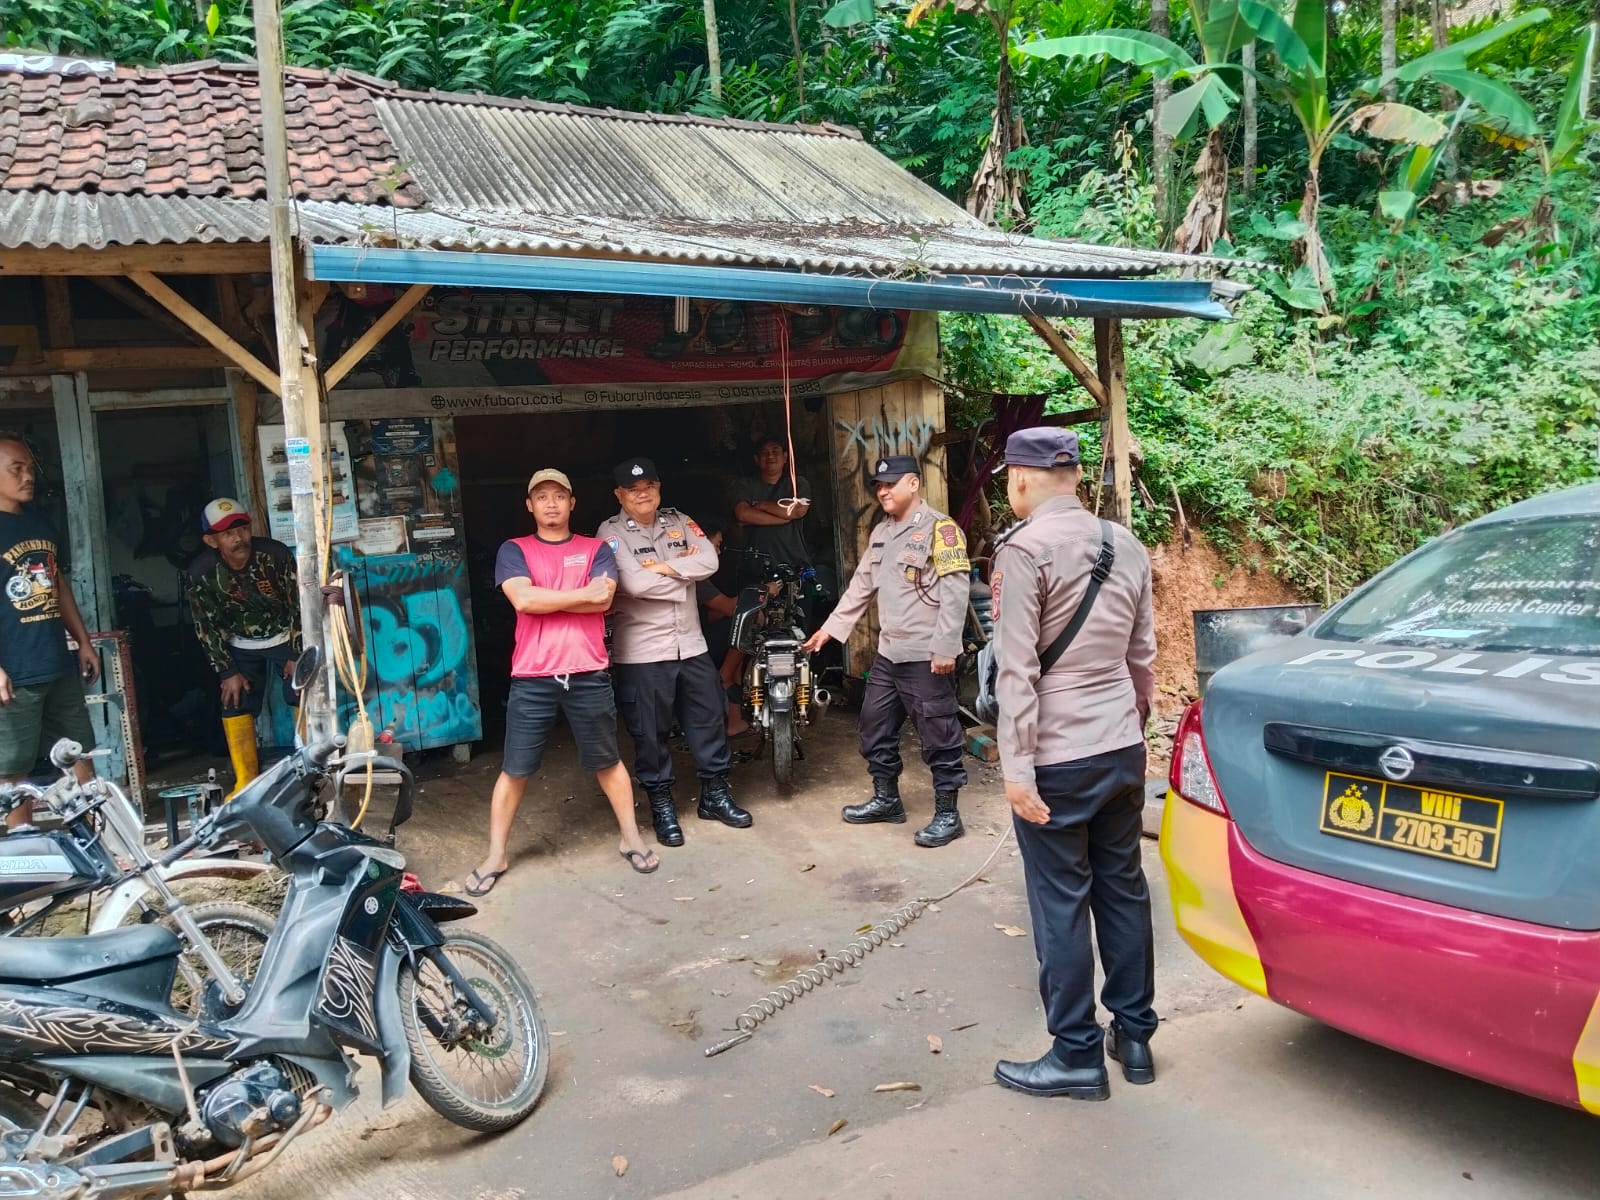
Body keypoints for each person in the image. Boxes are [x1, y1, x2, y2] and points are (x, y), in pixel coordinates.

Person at [987, 428, 1158, 1101]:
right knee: (1122, 888)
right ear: (1076, 476)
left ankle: (1077, 1055)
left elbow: (1018, 670)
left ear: (1023, 480)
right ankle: (1136, 1035)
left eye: (1008, 477)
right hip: (1120, 747)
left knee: (1061, 903)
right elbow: (1142, 656)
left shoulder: (1023, 551)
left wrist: (1017, 767)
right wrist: (1131, 727)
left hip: (1057, 758)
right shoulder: (1128, 544)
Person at [466, 468, 658, 894]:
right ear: (529, 505)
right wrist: (579, 596)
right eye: (542, 497)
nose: (551, 503)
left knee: (608, 761)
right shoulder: (513, 549)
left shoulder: (597, 548)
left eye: (559, 496)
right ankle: (496, 853)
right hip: (532, 675)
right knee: (514, 769)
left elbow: (603, 599)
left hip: (588, 671)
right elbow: (524, 598)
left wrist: (550, 600)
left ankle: (631, 837)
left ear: (573, 503)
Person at [801, 454, 969, 847]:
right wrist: (829, 630)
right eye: (879, 486)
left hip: (927, 656)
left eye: (891, 484)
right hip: (890, 654)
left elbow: (956, 591)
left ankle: (948, 814)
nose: (882, 491)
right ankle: (887, 799)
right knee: (873, 725)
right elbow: (861, 585)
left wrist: (946, 647)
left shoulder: (941, 530)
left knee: (939, 735)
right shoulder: (882, 532)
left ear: (914, 484)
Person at [597, 457, 750, 844]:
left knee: (710, 719)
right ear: (619, 494)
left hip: (691, 645)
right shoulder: (610, 532)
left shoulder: (679, 521)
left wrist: (661, 570)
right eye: (633, 489)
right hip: (643, 653)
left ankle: (714, 797)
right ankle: (662, 808)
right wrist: (683, 575)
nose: (642, 493)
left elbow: (710, 560)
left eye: (649, 485)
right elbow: (633, 584)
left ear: (659, 488)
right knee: (650, 733)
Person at [0, 434, 100, 827]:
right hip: (15, 675)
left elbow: (57, 586)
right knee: (14, 773)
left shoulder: (39, 525)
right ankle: (25, 854)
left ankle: (96, 845)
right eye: (16, 469)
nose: (29, 477)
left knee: (80, 756)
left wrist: (84, 642)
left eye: (29, 468)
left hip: (57, 664)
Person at [186, 498, 299, 796]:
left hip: (284, 636)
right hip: (240, 643)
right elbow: (205, 626)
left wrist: (297, 654)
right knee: (233, 701)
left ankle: (310, 772)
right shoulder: (202, 573)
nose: (238, 538)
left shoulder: (275, 555)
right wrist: (227, 671)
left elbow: (300, 605)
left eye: (242, 529)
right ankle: (246, 782)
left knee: (304, 691)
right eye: (227, 533)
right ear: (211, 540)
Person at [732, 437, 811, 574]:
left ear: (785, 457)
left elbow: (798, 510)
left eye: (775, 451)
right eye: (764, 453)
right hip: (755, 564)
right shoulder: (746, 484)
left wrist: (762, 505)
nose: (770, 456)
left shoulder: (797, 483)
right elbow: (743, 513)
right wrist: (784, 518)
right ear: (756, 459)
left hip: (793, 562)